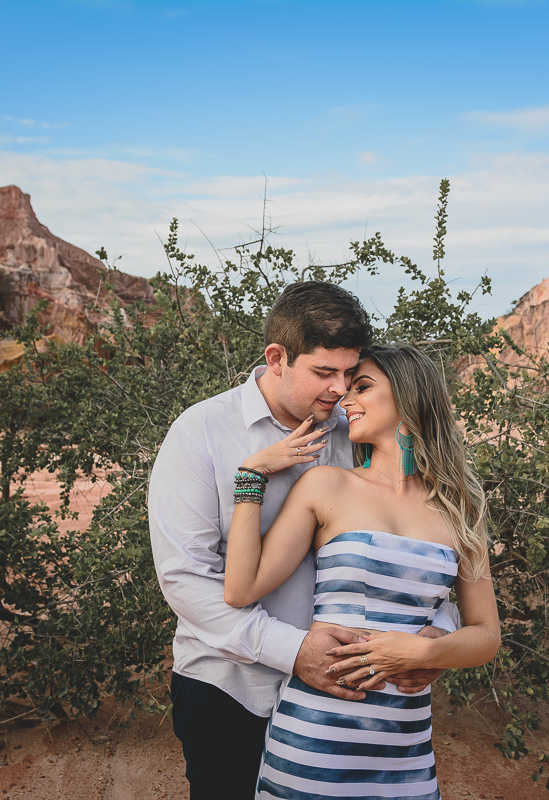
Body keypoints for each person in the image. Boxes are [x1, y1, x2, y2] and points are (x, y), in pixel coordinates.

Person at [148, 283, 458, 800]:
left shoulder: (356, 430)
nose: (340, 389)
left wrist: (436, 634)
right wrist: (294, 652)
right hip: (231, 687)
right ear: (277, 358)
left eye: (350, 374)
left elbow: (408, 542)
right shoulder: (201, 432)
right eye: (324, 372)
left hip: (344, 702)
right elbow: (184, 578)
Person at [225, 343, 500, 799]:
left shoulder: (459, 508)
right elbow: (241, 588)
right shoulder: (326, 484)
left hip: (405, 752)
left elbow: (486, 635)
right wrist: (251, 476)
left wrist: (427, 653)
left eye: (362, 387)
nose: (345, 399)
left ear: (409, 396)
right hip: (314, 739)